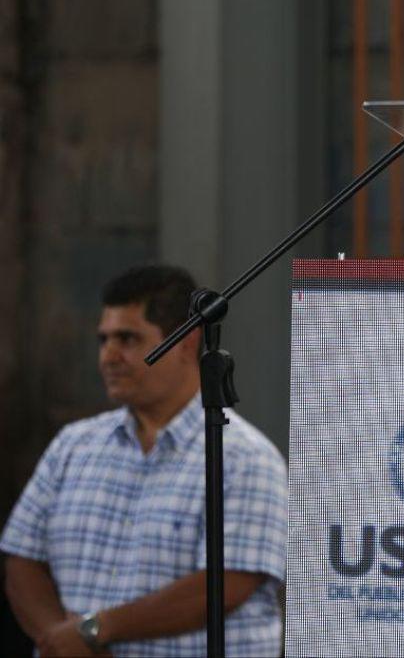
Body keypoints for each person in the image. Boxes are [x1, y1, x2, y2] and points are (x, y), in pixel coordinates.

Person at [1, 265, 287, 657]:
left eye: (128, 339)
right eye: (103, 340)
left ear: (187, 343)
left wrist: (96, 630)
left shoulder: (244, 456)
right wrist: (60, 640)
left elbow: (229, 582)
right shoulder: (73, 445)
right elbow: (22, 557)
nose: (109, 356)